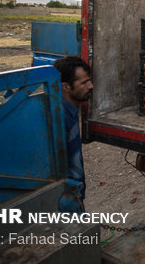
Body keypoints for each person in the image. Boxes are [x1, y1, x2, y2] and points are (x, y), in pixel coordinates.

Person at [53, 56, 93, 213]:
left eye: (89, 80)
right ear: (66, 87)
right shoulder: (59, 118)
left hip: (74, 194)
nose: (90, 86)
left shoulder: (71, 109)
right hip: (64, 198)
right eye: (83, 83)